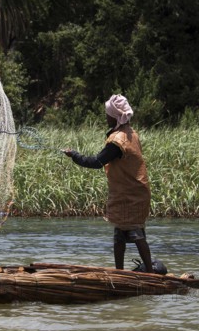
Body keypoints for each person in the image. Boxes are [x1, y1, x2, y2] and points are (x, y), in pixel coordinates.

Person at [63, 94, 154, 273]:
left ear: (115, 116)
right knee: (120, 235)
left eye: (108, 115)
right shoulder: (131, 133)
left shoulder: (117, 141)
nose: (106, 117)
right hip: (134, 190)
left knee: (136, 233)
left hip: (129, 194)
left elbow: (96, 162)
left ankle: (150, 274)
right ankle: (120, 273)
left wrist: (74, 155)